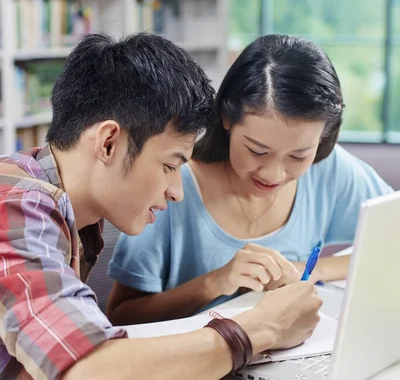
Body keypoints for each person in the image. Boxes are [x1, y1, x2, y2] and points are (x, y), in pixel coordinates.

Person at [0, 32, 322, 380]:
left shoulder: (70, 209)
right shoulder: (14, 203)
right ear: (108, 142)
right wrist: (262, 328)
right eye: (170, 165)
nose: (176, 190)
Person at [107, 34, 393, 326]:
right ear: (226, 118)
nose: (273, 174)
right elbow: (120, 317)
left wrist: (315, 269)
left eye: (298, 156)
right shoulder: (171, 184)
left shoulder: (329, 170)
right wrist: (214, 283)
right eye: (257, 151)